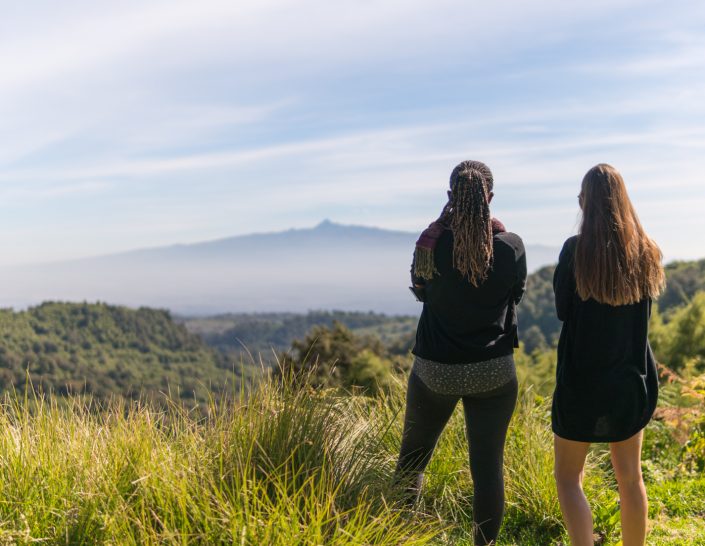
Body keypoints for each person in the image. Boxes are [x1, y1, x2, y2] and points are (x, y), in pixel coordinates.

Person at [394, 160, 527, 546]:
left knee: (411, 462)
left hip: (436, 368)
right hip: (494, 372)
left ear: (451, 197)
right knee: (487, 470)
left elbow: (421, 291)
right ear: (489, 198)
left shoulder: (429, 244)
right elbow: (515, 295)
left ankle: (402, 536)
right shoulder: (510, 246)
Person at [552, 164, 665, 546]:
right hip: (630, 379)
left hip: (581, 381)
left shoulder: (574, 251)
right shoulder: (647, 253)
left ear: (587, 201)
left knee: (568, 478)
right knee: (630, 479)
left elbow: (563, 310)